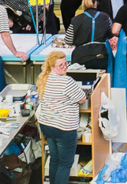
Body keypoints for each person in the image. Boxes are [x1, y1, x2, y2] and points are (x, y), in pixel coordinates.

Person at [36, 50, 91, 184]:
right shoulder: (67, 81)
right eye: (61, 65)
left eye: (66, 63)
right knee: (65, 163)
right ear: (52, 67)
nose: (65, 67)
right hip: (64, 128)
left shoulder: (44, 79)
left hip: (47, 125)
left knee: (55, 159)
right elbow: (82, 99)